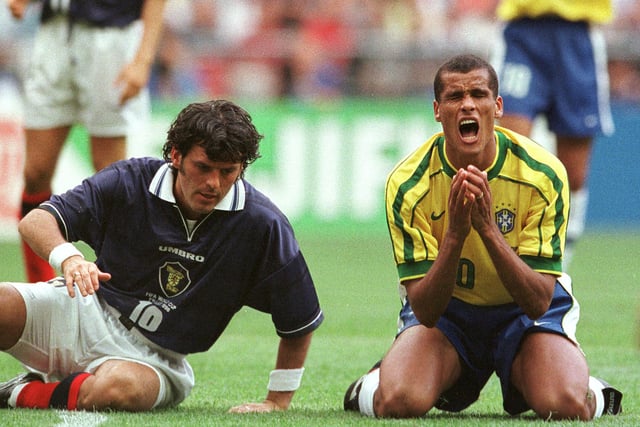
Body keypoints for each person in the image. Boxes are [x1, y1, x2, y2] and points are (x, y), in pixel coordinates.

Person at [343, 54, 622, 420]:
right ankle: (370, 385)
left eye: (478, 94)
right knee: (399, 402)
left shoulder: (543, 174)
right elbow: (425, 310)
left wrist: (488, 229)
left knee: (565, 405)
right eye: (455, 97)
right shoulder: (408, 184)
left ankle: (591, 389)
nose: (468, 104)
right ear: (437, 110)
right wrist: (456, 235)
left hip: (523, 313)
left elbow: (539, 300)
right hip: (447, 315)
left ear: (498, 106)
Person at [0, 99, 324, 413]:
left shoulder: (262, 224)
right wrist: (70, 259)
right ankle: (58, 385)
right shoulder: (131, 181)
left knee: (115, 390)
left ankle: (19, 392)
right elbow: (36, 221)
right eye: (203, 167)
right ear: (176, 155)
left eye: (228, 171)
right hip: (86, 309)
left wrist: (278, 400)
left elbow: (299, 319)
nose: (214, 183)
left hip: (156, 361)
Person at [7, 0, 167, 282]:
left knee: (110, 172)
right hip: (55, 31)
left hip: (111, 37)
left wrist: (143, 58)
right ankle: (40, 285)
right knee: (36, 172)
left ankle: (118, 282)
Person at [490, 0, 615, 269]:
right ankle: (500, 272)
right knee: (505, 155)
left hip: (577, 34)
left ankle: (556, 275)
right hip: (522, 33)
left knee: (573, 176)